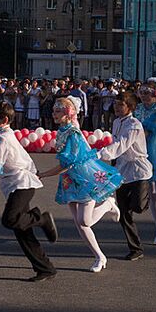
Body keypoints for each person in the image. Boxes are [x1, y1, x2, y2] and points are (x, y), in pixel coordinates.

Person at [38, 97, 122, 273]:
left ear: (69, 114)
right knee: (80, 223)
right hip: (71, 181)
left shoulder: (73, 134)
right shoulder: (63, 130)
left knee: (84, 220)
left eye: (58, 111)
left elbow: (66, 164)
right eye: (54, 111)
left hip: (85, 179)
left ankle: (107, 204)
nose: (54, 114)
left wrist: (43, 175)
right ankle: (100, 256)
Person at [0, 101, 58, 282]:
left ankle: (41, 218)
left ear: (4, 120)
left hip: (22, 183)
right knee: (22, 230)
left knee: (10, 219)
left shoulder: (2, 138)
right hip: (19, 183)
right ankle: (45, 268)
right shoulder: (5, 135)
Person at [98, 92, 153, 261]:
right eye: (115, 104)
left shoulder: (134, 125)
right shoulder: (115, 122)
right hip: (122, 170)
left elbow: (121, 144)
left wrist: (102, 154)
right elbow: (116, 145)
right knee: (124, 211)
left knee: (137, 206)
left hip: (138, 170)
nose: (117, 107)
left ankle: (148, 194)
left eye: (121, 104)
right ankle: (135, 248)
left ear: (130, 107)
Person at [134, 78, 156, 246]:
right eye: (142, 92)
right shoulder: (138, 109)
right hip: (142, 153)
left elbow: (155, 129)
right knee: (153, 194)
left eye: (149, 93)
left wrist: (143, 129)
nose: (145, 96)